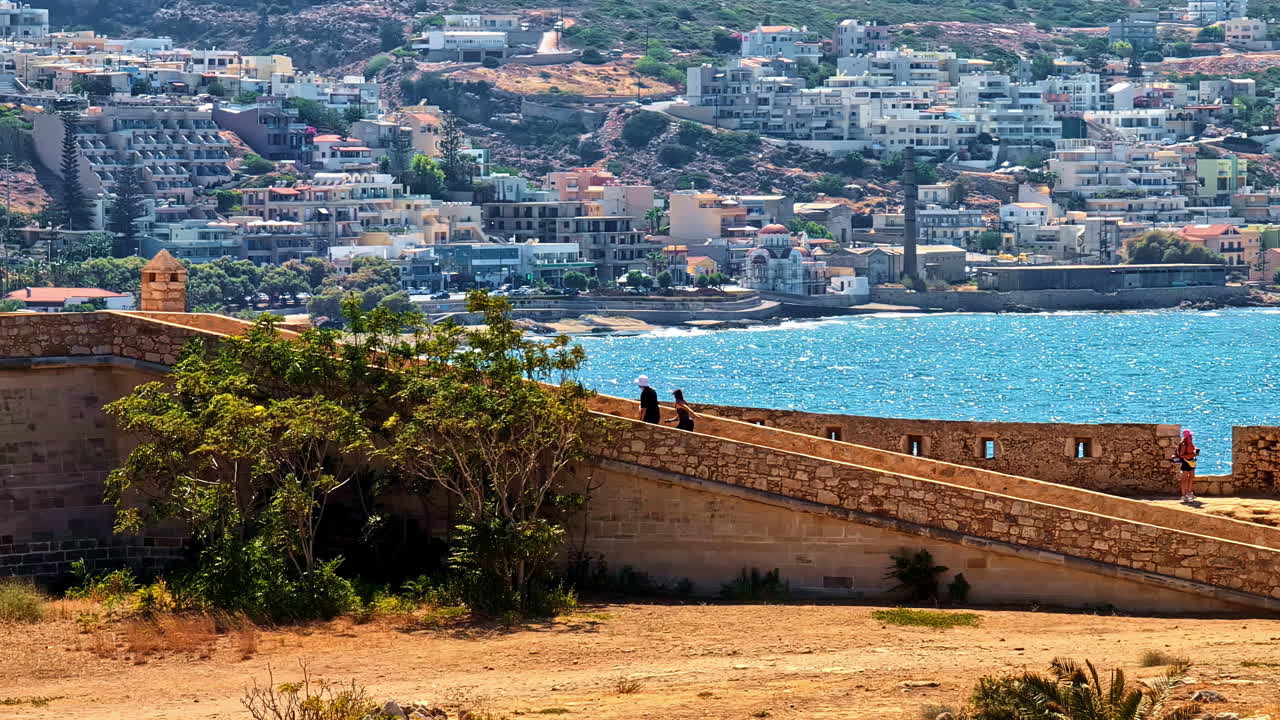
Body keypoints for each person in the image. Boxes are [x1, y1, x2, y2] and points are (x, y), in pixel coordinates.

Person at [1174, 429, 1200, 503]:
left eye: (1191, 435)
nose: (1191, 437)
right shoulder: (1184, 445)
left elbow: (1192, 450)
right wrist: (1192, 454)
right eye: (1190, 436)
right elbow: (1182, 455)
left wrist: (1195, 451)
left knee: (1192, 476)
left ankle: (1189, 492)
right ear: (1186, 437)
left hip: (1191, 461)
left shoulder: (1190, 443)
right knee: (1185, 479)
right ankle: (1184, 495)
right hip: (1186, 462)